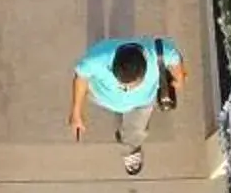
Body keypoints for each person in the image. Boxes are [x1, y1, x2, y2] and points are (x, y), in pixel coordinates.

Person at [69, 35, 183, 176]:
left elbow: (175, 59)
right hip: (102, 97)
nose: (125, 89)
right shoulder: (96, 59)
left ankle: (131, 147)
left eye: (131, 85)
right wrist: (76, 113)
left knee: (135, 130)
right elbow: (81, 76)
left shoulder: (160, 52)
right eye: (122, 83)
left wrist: (179, 78)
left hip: (141, 103)